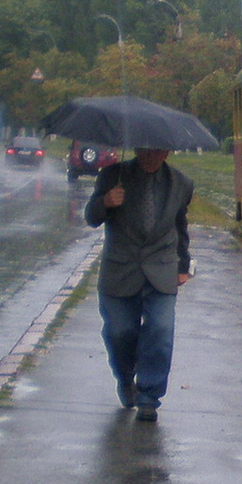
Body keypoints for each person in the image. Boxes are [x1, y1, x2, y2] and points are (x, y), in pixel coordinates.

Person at [85, 147, 193, 422]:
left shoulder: (181, 184)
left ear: (167, 152)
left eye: (157, 152)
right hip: (120, 268)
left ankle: (149, 397)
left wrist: (184, 266)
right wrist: (106, 202)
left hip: (162, 267)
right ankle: (124, 377)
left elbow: (180, 228)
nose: (150, 157)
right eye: (145, 151)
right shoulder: (112, 175)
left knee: (160, 329)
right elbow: (91, 217)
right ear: (136, 148)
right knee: (120, 332)